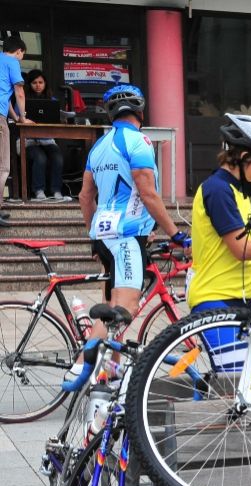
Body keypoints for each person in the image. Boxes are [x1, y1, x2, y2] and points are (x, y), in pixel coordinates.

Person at [75, 84, 187, 353]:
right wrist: (176, 234)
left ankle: (110, 369)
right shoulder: (139, 142)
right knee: (125, 307)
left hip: (103, 235)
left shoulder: (99, 146)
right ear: (141, 112)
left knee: (111, 311)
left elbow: (84, 196)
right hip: (126, 237)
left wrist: (93, 236)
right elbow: (148, 194)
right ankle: (81, 371)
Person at [187, 114, 251, 360]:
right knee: (234, 380)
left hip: (238, 300)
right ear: (243, 157)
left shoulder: (239, 191)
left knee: (239, 384)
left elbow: (248, 252)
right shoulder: (219, 190)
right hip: (214, 301)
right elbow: (241, 249)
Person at [22, 70, 69, 202]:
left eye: (41, 82)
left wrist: (62, 119)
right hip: (28, 140)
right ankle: (39, 190)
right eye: (34, 83)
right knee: (40, 158)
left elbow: (58, 118)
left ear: (45, 84)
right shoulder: (22, 99)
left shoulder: (52, 100)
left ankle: (56, 191)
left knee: (58, 157)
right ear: (29, 84)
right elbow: (16, 117)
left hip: (47, 140)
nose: (38, 85)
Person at [1, 37, 31, 227]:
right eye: (22, 56)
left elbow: (6, 99)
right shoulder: (12, 62)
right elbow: (19, 91)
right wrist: (23, 116)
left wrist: (15, 116)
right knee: (2, 166)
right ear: (19, 51)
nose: (21, 59)